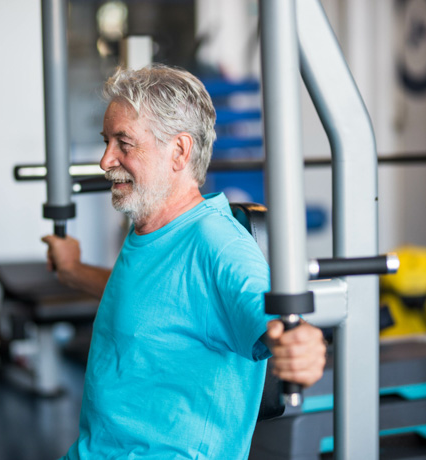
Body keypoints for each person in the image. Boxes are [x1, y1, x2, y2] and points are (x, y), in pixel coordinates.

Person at [42, 64, 326, 460]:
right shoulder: (150, 223)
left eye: (124, 143)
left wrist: (303, 343)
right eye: (106, 141)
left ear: (179, 151)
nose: (106, 160)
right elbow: (155, 300)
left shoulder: (219, 243)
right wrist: (74, 271)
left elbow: (275, 322)